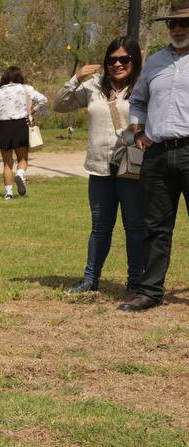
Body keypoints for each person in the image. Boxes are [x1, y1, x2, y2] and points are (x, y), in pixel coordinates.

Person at [52, 36, 146, 295]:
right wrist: (76, 77)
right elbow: (59, 105)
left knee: (135, 227)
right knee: (100, 227)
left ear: (134, 60)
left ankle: (135, 281)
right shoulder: (94, 87)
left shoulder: (143, 88)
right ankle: (90, 279)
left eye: (124, 59)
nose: (117, 64)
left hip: (132, 168)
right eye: (111, 59)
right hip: (100, 168)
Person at [126, 0, 189, 312]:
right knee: (155, 227)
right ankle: (150, 292)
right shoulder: (154, 62)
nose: (177, 29)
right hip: (157, 154)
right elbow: (138, 100)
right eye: (172, 24)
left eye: (184, 24)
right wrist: (138, 131)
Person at [0, 67, 48, 199]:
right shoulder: (27, 89)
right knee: (23, 159)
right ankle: (20, 174)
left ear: (5, 78)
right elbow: (43, 100)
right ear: (19, 77)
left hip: (3, 127)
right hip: (21, 125)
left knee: (7, 164)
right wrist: (32, 111)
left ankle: (8, 194)